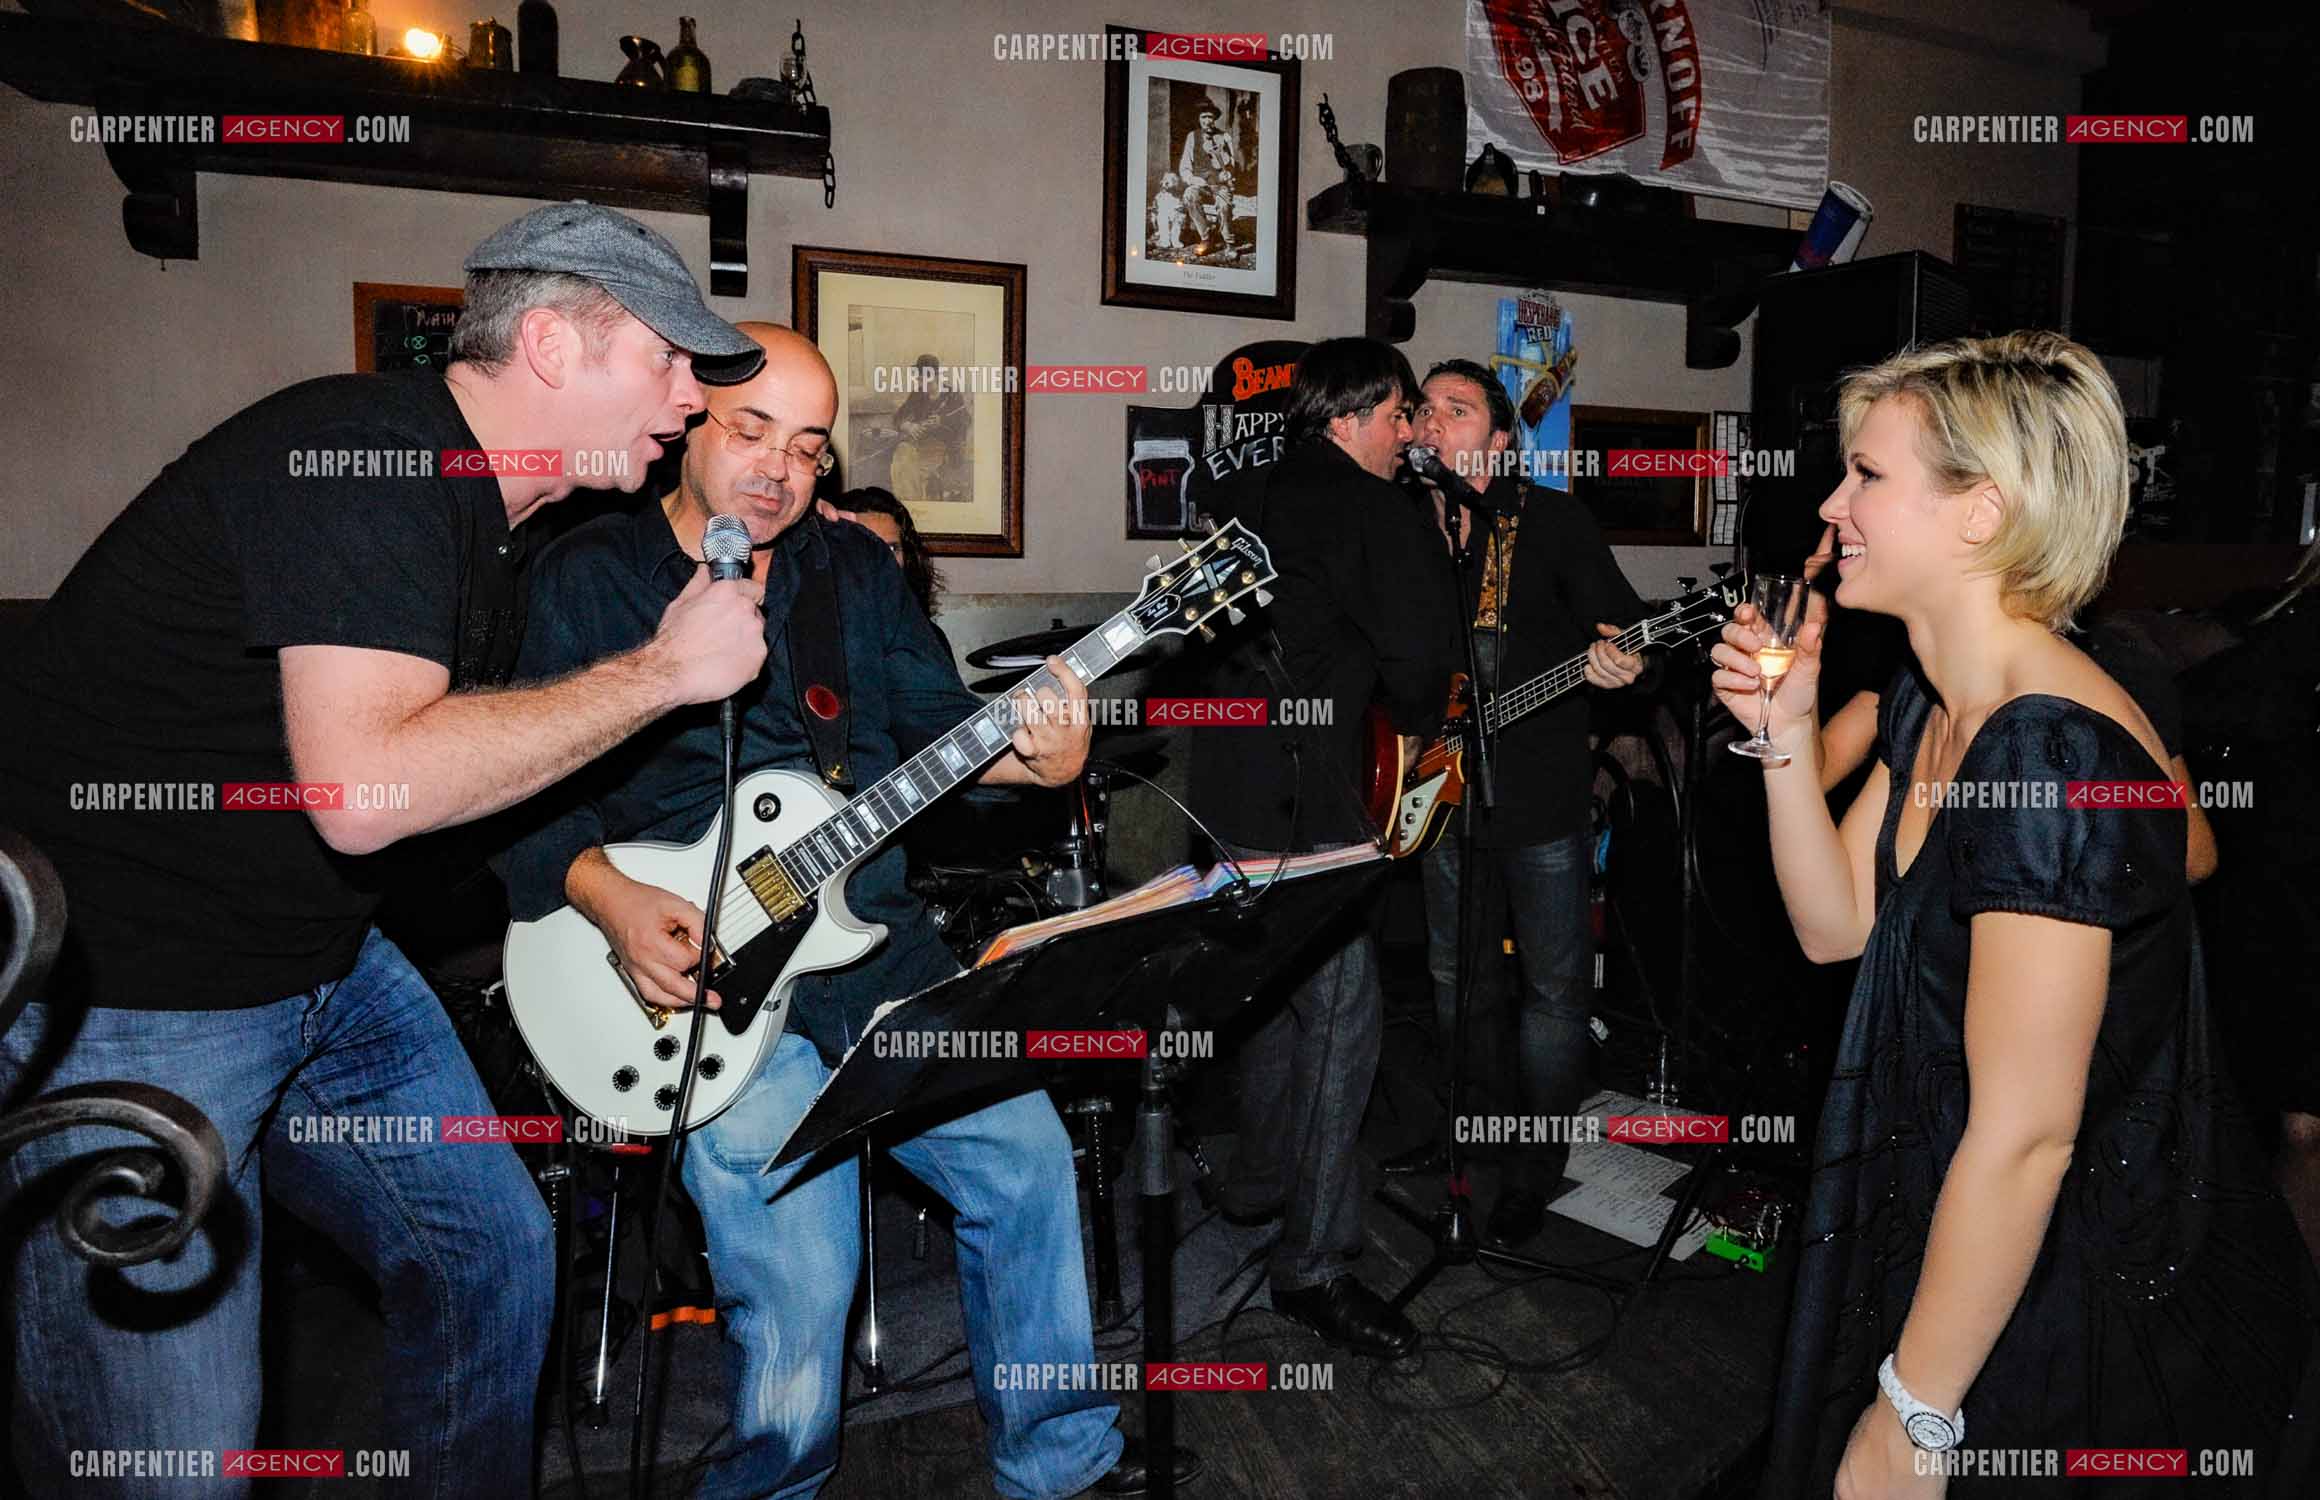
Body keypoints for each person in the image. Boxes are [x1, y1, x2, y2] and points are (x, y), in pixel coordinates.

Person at [0, 201, 772, 1498]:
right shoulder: (366, 452)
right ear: (551, 343)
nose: (692, 400)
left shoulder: (486, 522)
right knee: (173, 1465)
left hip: (319, 969)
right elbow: (367, 788)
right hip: (132, 997)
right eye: (668, 359)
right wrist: (660, 675)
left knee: (490, 1265)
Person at [496, 323, 1186, 1500]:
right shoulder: (588, 576)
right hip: (685, 981)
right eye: (751, 431)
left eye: (809, 447)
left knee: (1023, 1163)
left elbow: (938, 729)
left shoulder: (849, 570)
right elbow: (512, 788)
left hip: (871, 949)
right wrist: (609, 900)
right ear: (682, 425)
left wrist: (1044, 761)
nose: (781, 468)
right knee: (801, 1269)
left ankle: (1061, 1464)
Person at [1711, 331, 2319, 1496]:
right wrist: (1784, 740)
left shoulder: (2043, 748)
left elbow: (2028, 1136)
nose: (1833, 504)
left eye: (1867, 477)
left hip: (2066, 1276)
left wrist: (1915, 1415)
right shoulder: (1932, 696)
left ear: (1980, 514)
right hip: (1958, 1216)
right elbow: (1837, 926)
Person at [1187, 337, 1460, 1359]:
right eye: (1398, 416)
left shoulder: (1246, 488)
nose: (1409, 435)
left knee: (1271, 1006)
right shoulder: (1373, 510)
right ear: (1348, 417)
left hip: (1222, 802)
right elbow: (1421, 669)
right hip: (1309, 808)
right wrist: (1427, 548)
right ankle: (1315, 1264)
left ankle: (1256, 1180)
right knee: (1344, 1025)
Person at [1380, 359, 1651, 1251]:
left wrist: (1620, 657)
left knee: (1554, 992)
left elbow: (1624, 628)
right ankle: (1471, 1140)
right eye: (1422, 409)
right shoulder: (1401, 526)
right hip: (1436, 791)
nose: (1430, 423)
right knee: (1460, 984)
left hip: (1537, 798)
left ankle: (1534, 1166)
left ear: (1500, 439)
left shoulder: (1550, 523)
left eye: (1455, 410)